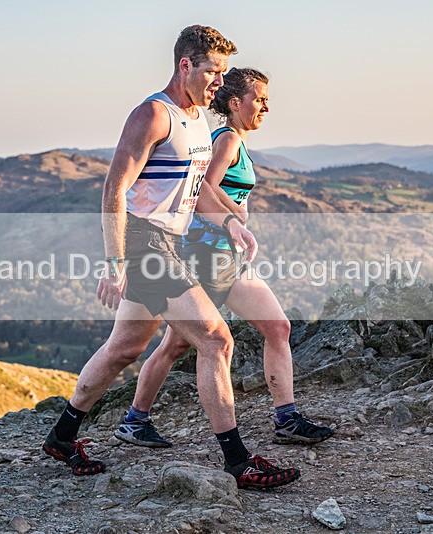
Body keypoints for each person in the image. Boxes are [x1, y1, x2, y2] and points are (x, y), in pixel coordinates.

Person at [42, 25, 300, 490]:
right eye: (213, 72)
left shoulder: (198, 119)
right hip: (145, 245)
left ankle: (62, 436)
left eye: (223, 73)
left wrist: (229, 224)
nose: (220, 83)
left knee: (124, 348)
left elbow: (193, 190)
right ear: (186, 65)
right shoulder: (152, 115)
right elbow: (114, 189)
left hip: (170, 243)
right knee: (217, 339)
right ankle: (237, 461)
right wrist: (115, 261)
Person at [114, 67, 334, 451]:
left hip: (227, 255)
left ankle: (287, 418)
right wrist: (237, 217)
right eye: (259, 99)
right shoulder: (228, 139)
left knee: (277, 327)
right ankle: (135, 420)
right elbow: (203, 191)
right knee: (177, 345)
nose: (266, 106)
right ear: (235, 103)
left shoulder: (235, 139)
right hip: (207, 253)